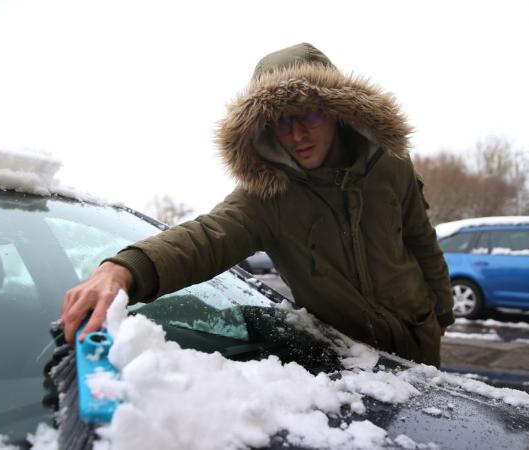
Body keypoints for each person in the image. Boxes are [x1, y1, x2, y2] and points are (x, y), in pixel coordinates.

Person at [61, 43, 455, 366]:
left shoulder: (390, 165)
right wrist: (123, 269)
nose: (296, 134)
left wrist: (441, 313)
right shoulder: (268, 196)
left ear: (338, 112)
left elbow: (421, 241)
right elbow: (205, 237)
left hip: (422, 340)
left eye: (309, 114)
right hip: (355, 362)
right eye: (281, 121)